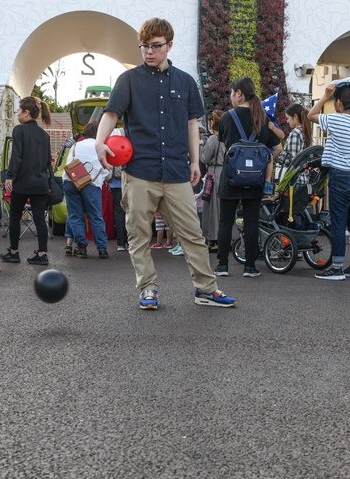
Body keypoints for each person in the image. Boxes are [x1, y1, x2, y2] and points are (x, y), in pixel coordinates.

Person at [94, 17, 236, 310]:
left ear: (169, 45)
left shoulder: (185, 82)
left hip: (175, 172)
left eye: (156, 46)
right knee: (138, 235)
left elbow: (191, 124)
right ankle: (148, 289)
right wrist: (99, 141)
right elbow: (111, 114)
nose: (149, 51)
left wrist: (195, 161)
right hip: (140, 171)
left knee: (192, 235)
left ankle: (206, 289)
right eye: (144, 46)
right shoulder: (129, 80)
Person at [215, 76, 283, 278]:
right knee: (252, 221)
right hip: (255, 180)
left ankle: (222, 266)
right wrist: (262, 162)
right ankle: (250, 267)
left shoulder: (227, 117)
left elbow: (224, 145)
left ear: (239, 93)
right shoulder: (263, 118)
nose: (230, 96)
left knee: (226, 222)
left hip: (231, 177)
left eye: (231, 92)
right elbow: (277, 148)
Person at [307, 78, 350, 281]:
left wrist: (324, 95)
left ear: (339, 104)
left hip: (341, 176)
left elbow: (311, 115)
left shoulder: (338, 120)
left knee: (339, 223)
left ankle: (336, 267)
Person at [1, 96, 51, 266]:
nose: (17, 114)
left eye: (19, 111)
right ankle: (42, 254)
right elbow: (47, 161)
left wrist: (10, 175)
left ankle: (14, 252)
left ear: (27, 113)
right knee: (39, 219)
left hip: (23, 182)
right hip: (41, 183)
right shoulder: (44, 135)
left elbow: (17, 156)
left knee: (14, 217)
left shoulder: (19, 130)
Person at [62, 122, 110, 259]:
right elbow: (107, 169)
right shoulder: (100, 146)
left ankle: (81, 247)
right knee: (95, 215)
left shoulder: (76, 145)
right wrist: (98, 177)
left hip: (70, 181)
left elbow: (69, 163)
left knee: (75, 215)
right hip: (91, 183)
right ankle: (102, 249)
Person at [199, 109, 225, 253]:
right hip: (226, 173)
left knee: (212, 207)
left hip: (214, 172)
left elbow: (204, 158)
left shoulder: (213, 139)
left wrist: (200, 145)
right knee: (224, 208)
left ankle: (214, 238)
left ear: (211, 123)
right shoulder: (228, 137)